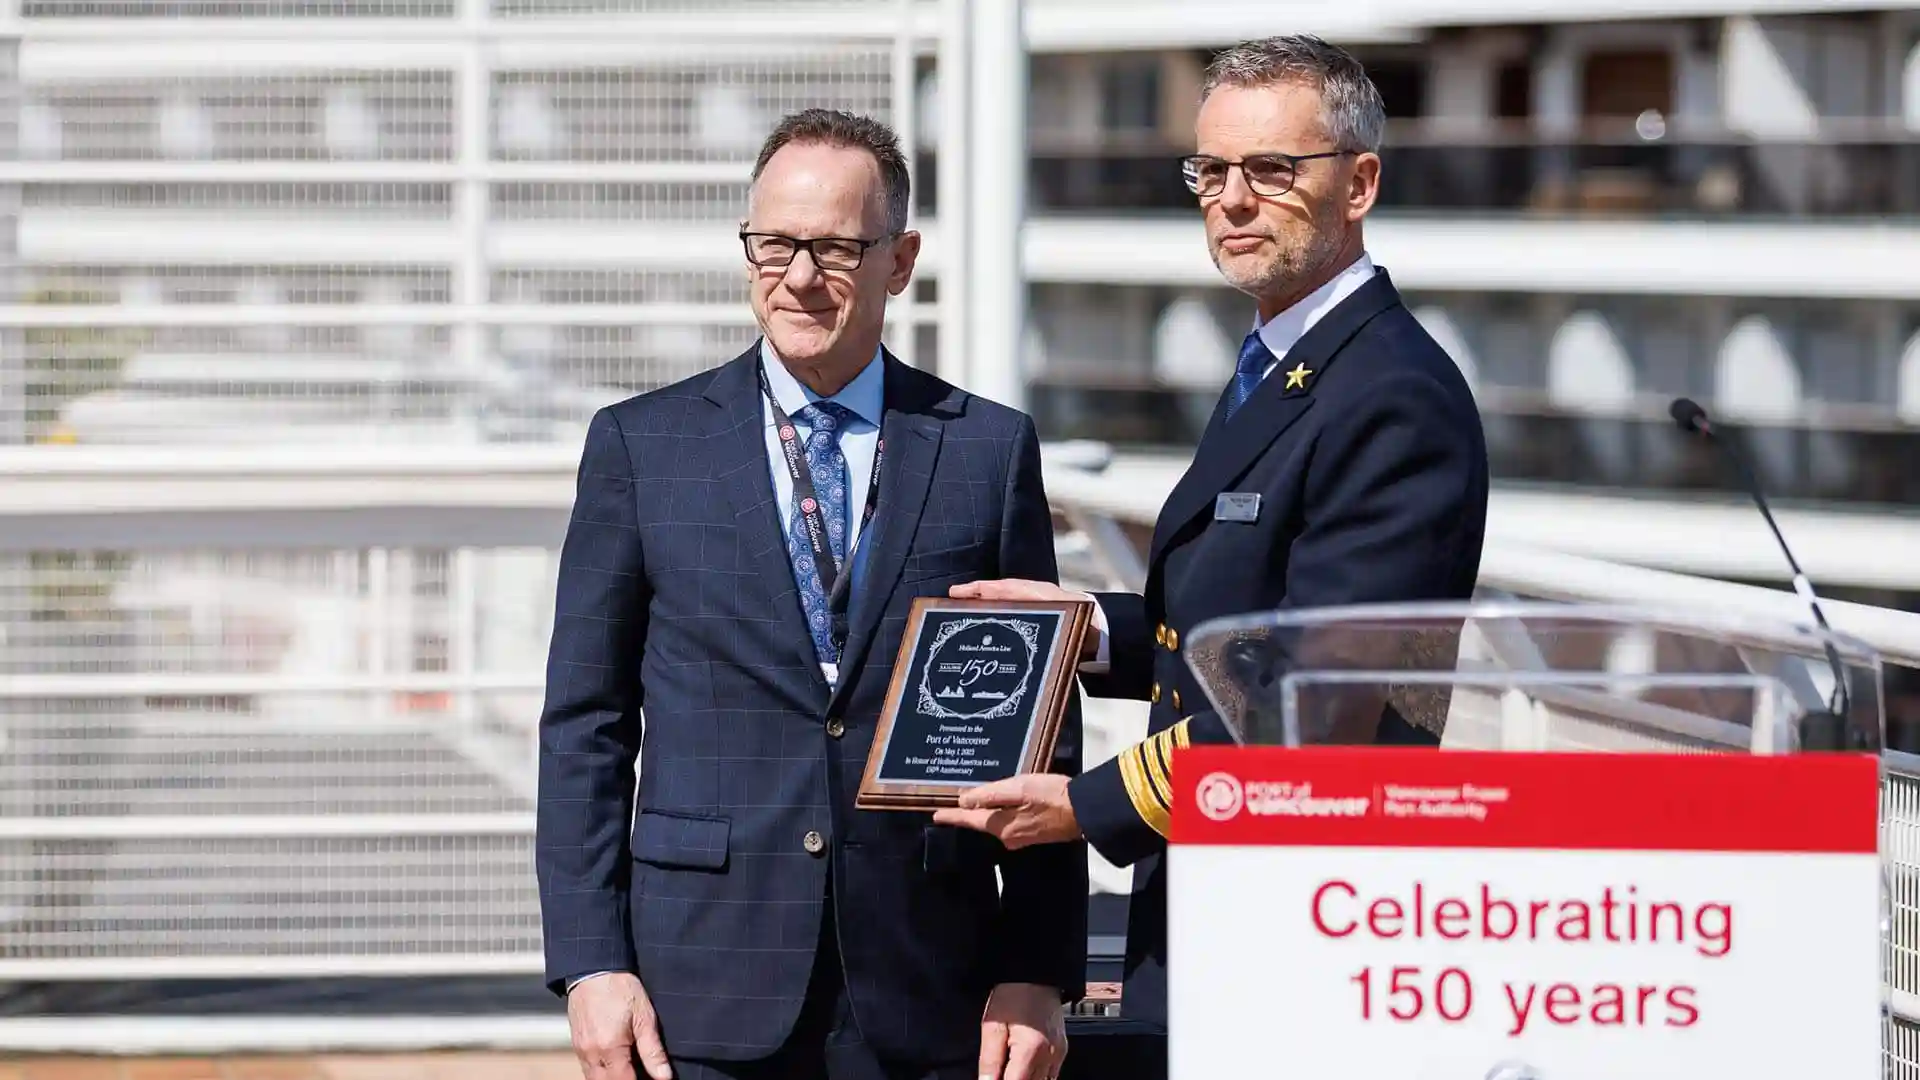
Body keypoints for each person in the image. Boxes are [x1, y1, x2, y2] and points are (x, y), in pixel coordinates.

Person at [932, 34, 1490, 1034]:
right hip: (1221, 883)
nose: (1233, 200)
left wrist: (1087, 807)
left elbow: (1314, 706)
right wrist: (1082, 631)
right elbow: (1229, 631)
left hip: (1308, 912)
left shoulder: (1393, 396)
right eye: (1211, 170)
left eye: (1273, 170)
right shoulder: (1287, 363)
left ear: (1358, 184)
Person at [536, 108, 1085, 1080]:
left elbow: (1044, 730)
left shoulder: (987, 453)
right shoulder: (641, 448)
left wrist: (1040, 970)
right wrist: (590, 963)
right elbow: (586, 722)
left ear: (900, 259)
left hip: (930, 983)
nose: (797, 276)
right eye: (774, 243)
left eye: (834, 248)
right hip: (695, 988)